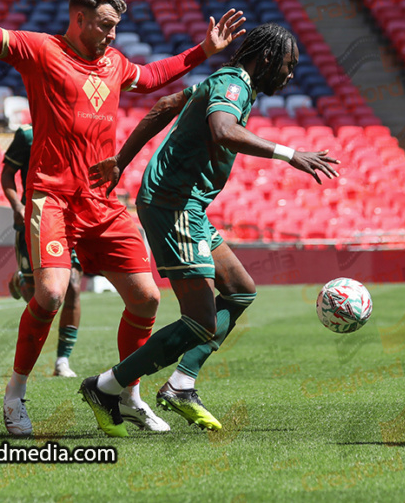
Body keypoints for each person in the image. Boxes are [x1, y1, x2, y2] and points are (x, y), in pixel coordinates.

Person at [0, 0, 245, 437]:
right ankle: (15, 395)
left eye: (116, 27)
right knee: (48, 293)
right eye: (106, 26)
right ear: (80, 18)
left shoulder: (112, 63)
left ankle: (126, 395)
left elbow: (152, 77)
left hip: (102, 201)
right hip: (51, 197)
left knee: (147, 300)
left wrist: (203, 50)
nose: (112, 36)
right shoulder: (39, 50)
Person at [79, 24, 340, 435]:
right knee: (200, 320)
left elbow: (165, 105)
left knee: (239, 289)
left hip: (187, 204)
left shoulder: (226, 81)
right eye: (288, 66)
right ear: (267, 59)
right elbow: (222, 129)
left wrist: (122, 162)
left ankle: (182, 385)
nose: (291, 75)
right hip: (175, 202)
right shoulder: (234, 85)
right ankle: (105, 386)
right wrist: (289, 153)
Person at [2, 124, 83, 378]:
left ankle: (62, 361)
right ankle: (20, 280)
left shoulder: (78, 129)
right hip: (34, 219)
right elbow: (7, 174)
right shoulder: (27, 134)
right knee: (42, 297)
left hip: (68, 219)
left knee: (73, 286)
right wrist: (16, 204)